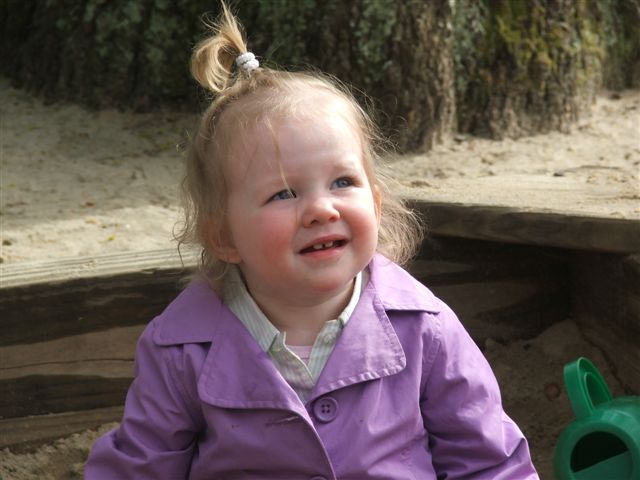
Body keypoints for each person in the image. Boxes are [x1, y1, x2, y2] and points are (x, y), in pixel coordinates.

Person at [85, 4, 538, 479]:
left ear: (375, 203)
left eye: (343, 182)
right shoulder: (181, 347)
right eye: (284, 193)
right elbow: (140, 467)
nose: (323, 209)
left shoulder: (425, 328)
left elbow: (489, 460)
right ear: (224, 236)